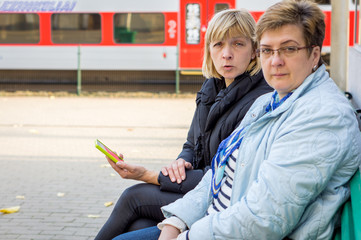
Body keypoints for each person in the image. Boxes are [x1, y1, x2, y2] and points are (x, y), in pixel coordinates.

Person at [112, 0, 361, 239]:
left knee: (133, 203)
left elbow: (265, 219)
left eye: (289, 48)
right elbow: (218, 172)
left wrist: (183, 235)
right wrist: (175, 222)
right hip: (219, 218)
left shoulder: (321, 115)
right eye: (268, 50)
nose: (276, 61)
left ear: (315, 54)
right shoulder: (270, 101)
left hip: (233, 228)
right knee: (139, 222)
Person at [94, 8, 272, 240]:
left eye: (237, 44)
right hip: (199, 190)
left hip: (224, 201)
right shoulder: (212, 88)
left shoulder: (259, 100)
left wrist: (151, 175)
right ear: (209, 49)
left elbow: (226, 175)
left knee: (134, 197)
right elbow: (192, 144)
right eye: (218, 44)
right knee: (139, 224)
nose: (226, 54)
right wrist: (181, 162)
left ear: (254, 51)